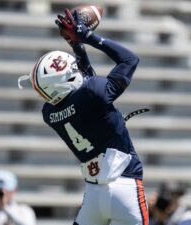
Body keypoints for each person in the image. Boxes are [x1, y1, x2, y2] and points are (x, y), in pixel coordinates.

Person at [17, 8, 148, 225]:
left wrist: (76, 46)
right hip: (126, 187)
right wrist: (87, 37)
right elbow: (129, 60)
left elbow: (85, 86)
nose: (78, 69)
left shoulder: (49, 113)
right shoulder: (92, 92)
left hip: (94, 196)